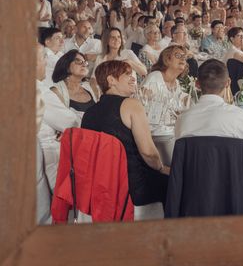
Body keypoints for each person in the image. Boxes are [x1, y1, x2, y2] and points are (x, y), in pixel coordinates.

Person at [174, 59, 243, 213]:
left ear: (197, 84)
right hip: (235, 198)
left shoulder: (183, 118)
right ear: (228, 83)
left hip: (195, 199)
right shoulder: (237, 115)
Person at [82, 60, 169, 208]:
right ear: (111, 80)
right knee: (181, 180)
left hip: (101, 185)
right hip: (132, 187)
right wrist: (163, 168)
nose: (133, 78)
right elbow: (149, 154)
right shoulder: (131, 104)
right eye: (127, 74)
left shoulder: (89, 112)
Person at [36, 44, 80, 191]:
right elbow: (71, 122)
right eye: (43, 58)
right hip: (45, 158)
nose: (46, 63)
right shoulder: (39, 91)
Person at [139, 46, 191, 137]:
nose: (183, 59)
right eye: (178, 55)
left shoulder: (176, 83)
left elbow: (177, 111)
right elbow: (141, 106)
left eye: (184, 57)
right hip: (154, 133)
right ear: (167, 59)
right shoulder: (155, 77)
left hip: (171, 132)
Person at [92, 28, 147, 94]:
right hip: (107, 94)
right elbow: (93, 79)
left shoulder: (128, 53)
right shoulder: (101, 57)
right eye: (113, 37)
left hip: (127, 93)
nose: (117, 39)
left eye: (118, 37)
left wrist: (129, 62)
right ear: (106, 40)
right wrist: (96, 92)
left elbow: (144, 72)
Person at [51, 50, 97, 118]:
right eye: (78, 61)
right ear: (66, 67)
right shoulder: (56, 91)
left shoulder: (88, 87)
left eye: (85, 62)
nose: (84, 65)